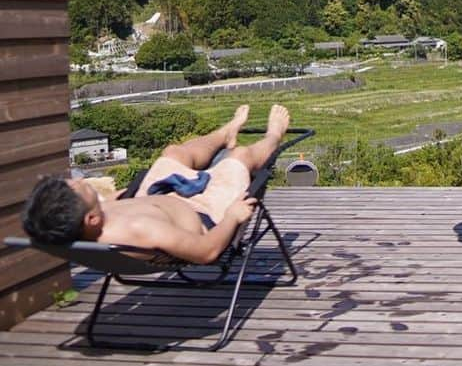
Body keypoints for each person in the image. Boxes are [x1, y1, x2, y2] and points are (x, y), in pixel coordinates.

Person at [22, 104, 290, 264]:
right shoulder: (140, 231)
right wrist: (231, 218)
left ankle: (225, 132)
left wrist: (117, 198)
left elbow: (110, 205)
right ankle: (273, 136)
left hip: (154, 197)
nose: (74, 181)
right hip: (206, 211)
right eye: (76, 187)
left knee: (175, 152)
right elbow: (207, 251)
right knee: (240, 156)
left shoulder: (81, 223)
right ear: (91, 219)